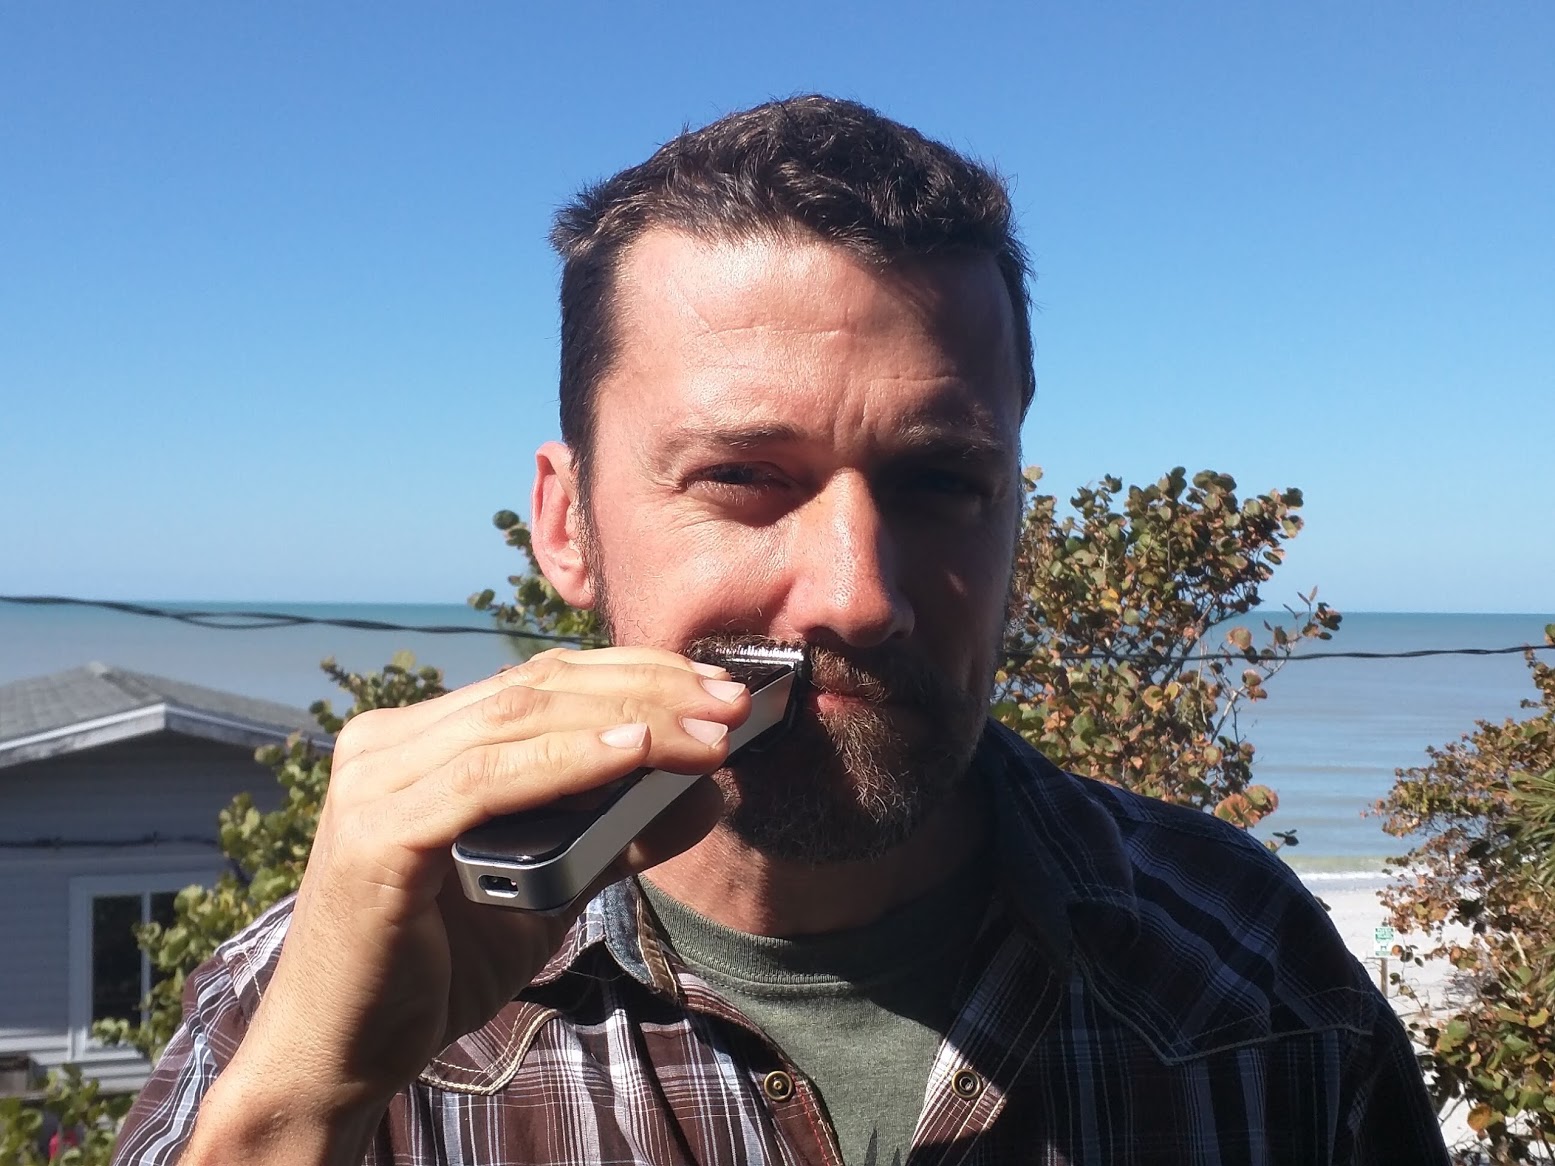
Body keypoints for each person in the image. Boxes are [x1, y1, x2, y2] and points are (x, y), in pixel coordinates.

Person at [113, 95, 1447, 1166]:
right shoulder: (317, 1008)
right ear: (565, 524)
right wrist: (295, 1114)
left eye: (941, 481)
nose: (857, 595)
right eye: (745, 477)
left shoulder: (1250, 981)